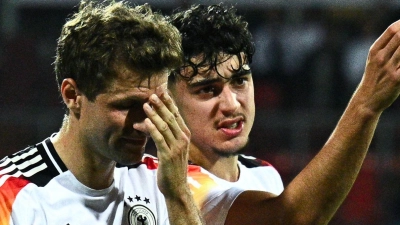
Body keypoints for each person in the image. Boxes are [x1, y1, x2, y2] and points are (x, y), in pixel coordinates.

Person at [169, 4, 400, 225]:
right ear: (167, 100)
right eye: (208, 89)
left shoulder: (263, 174)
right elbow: (290, 219)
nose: (231, 104)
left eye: (239, 81)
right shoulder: (165, 183)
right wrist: (366, 104)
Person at [0, 1, 204, 224]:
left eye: (154, 106)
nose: (144, 124)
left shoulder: (164, 182)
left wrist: (179, 195)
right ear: (72, 96)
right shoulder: (12, 195)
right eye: (127, 105)